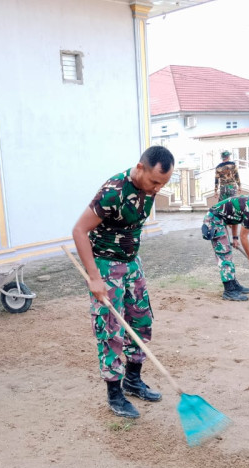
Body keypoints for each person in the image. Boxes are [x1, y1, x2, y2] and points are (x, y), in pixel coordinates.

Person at [72, 146, 174, 419]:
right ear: (140, 168)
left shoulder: (149, 188)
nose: (157, 188)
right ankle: (114, 393)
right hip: (106, 265)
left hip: (132, 262)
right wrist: (94, 277)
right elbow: (79, 231)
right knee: (110, 328)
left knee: (141, 320)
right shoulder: (113, 191)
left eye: (163, 184)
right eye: (154, 182)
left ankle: (133, 379)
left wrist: (131, 260)